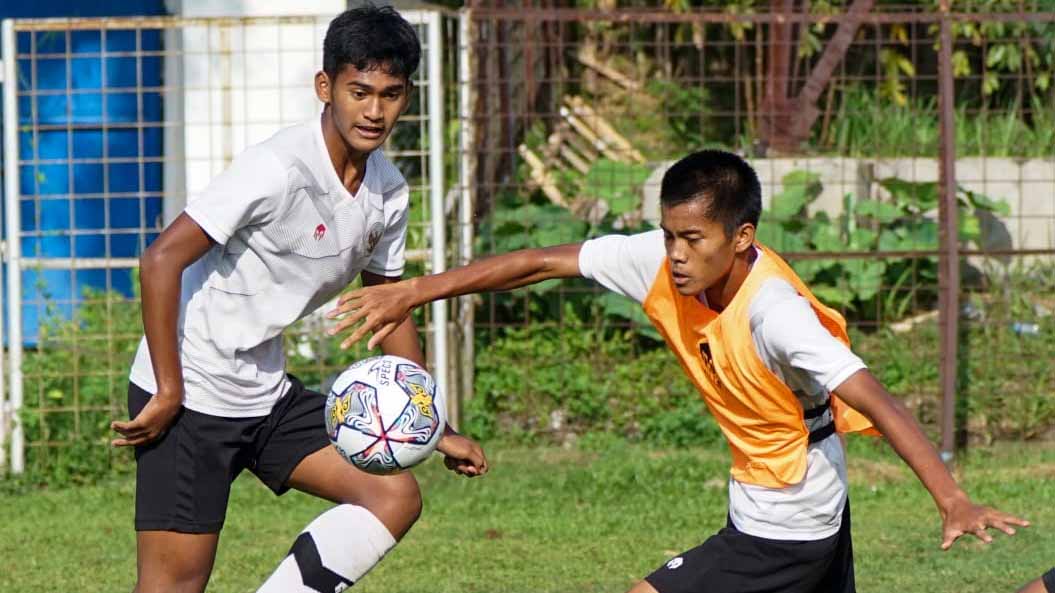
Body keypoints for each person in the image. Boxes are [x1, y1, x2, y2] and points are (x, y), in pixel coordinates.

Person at [328, 149, 1029, 593]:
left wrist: (950, 497)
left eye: (693, 238)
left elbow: (874, 396)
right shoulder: (661, 262)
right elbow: (539, 262)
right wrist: (413, 291)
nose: (677, 253)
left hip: (790, 515)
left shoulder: (775, 314)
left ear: (741, 238)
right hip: (779, 496)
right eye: (669, 234)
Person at [111, 6, 487, 593]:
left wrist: (434, 427)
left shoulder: (387, 192)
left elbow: (388, 309)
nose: (374, 110)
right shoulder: (276, 167)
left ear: (406, 97)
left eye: (390, 94)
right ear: (326, 87)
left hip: (265, 390)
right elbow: (161, 259)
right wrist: (168, 389)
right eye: (358, 91)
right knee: (174, 586)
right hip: (192, 391)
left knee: (392, 493)